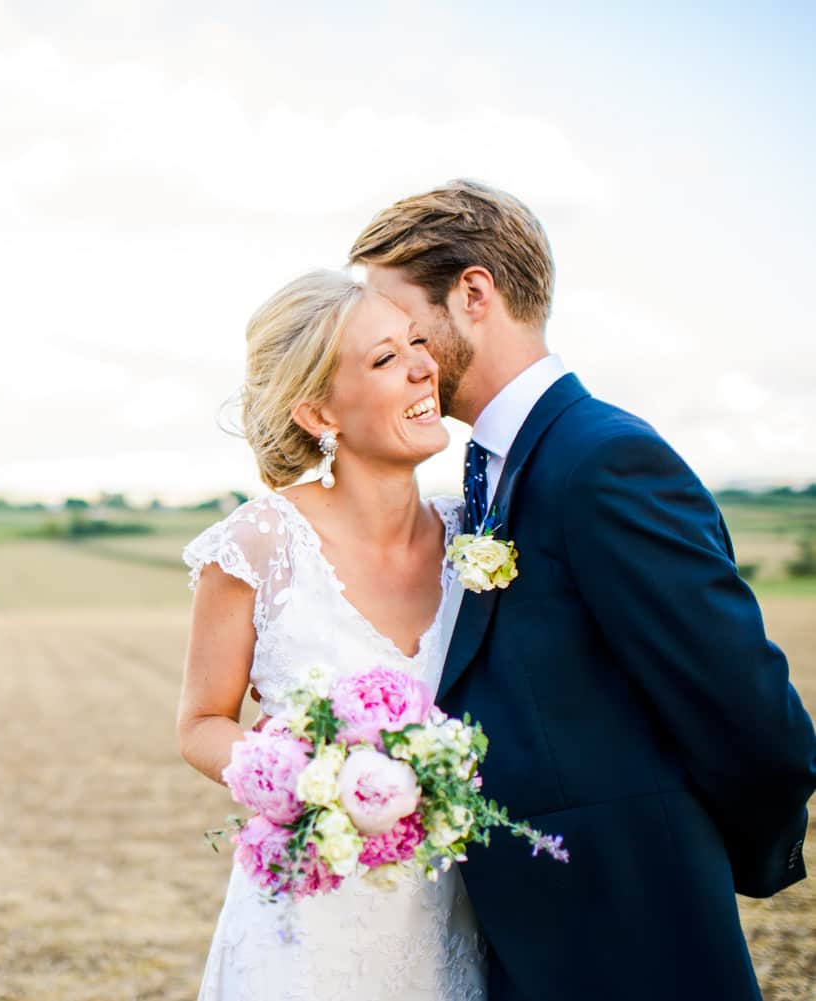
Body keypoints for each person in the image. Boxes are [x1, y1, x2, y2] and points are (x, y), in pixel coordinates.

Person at [344, 179, 816, 1000]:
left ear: (474, 293)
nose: (396, 351)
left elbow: (748, 711)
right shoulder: (485, 475)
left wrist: (684, 858)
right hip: (531, 941)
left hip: (635, 938)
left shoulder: (603, 460)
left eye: (400, 322)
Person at [177, 268, 487, 1000]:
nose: (422, 365)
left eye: (418, 342)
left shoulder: (476, 534)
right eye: (385, 358)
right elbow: (200, 724)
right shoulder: (257, 545)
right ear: (320, 413)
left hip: (455, 916)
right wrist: (321, 780)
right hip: (306, 934)